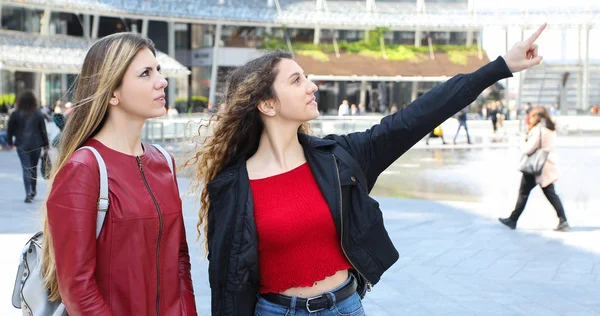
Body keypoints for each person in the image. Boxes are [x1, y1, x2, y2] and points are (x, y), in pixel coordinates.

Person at [188, 24, 547, 315]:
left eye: (306, 77)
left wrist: (499, 66)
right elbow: (227, 282)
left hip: (345, 307)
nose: (312, 86)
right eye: (296, 80)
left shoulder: (339, 157)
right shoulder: (232, 185)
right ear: (267, 103)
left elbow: (418, 117)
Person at [41, 33, 197, 315]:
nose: (161, 81)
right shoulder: (84, 168)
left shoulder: (164, 162)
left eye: (158, 71)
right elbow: (78, 289)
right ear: (112, 92)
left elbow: (180, 260)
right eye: (145, 73)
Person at [499, 106, 569, 231]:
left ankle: (512, 220)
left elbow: (527, 149)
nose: (530, 119)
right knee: (550, 194)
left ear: (537, 117)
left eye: (532, 116)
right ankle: (563, 220)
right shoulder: (550, 129)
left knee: (524, 193)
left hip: (535, 167)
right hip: (547, 166)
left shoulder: (539, 130)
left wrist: (521, 141)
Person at [6, 90, 50, 202]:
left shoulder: (16, 113)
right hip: (36, 144)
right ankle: (33, 189)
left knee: (26, 168)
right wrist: (46, 144)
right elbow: (43, 130)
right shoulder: (38, 113)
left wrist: (10, 141)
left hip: (22, 144)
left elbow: (10, 129)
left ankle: (28, 192)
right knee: (33, 167)